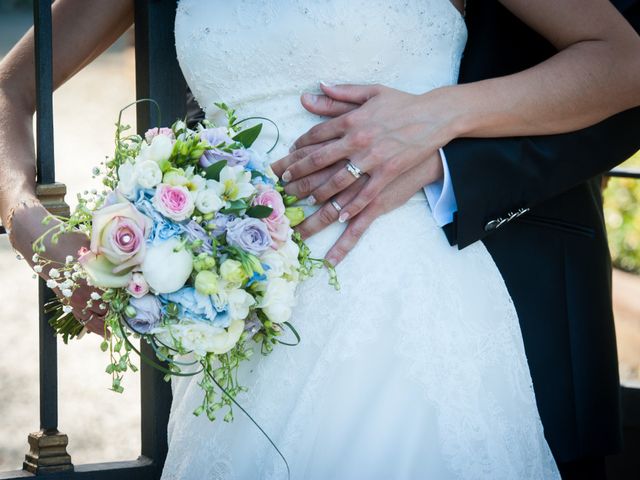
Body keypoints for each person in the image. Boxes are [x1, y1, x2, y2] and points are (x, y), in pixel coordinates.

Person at [0, 1, 638, 479]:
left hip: (412, 297)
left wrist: (440, 113)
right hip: (238, 325)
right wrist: (27, 217)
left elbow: (623, 59)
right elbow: (8, 87)